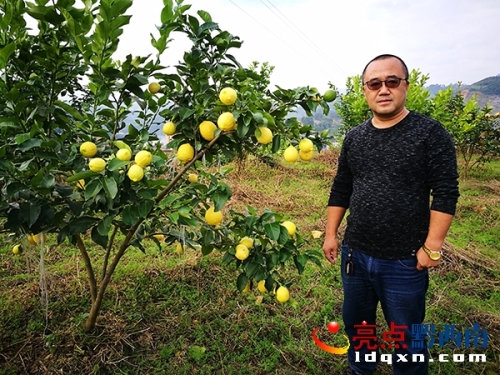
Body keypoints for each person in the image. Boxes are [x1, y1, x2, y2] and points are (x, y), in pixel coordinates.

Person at [322, 54, 460, 375]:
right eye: (375, 83)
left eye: (392, 82)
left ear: (405, 87)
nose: (383, 89)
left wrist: (432, 247)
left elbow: (446, 191)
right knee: (359, 328)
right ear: (365, 90)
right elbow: (341, 187)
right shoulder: (355, 137)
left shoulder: (429, 133)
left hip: (406, 261)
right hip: (356, 255)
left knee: (407, 339)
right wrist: (331, 234)